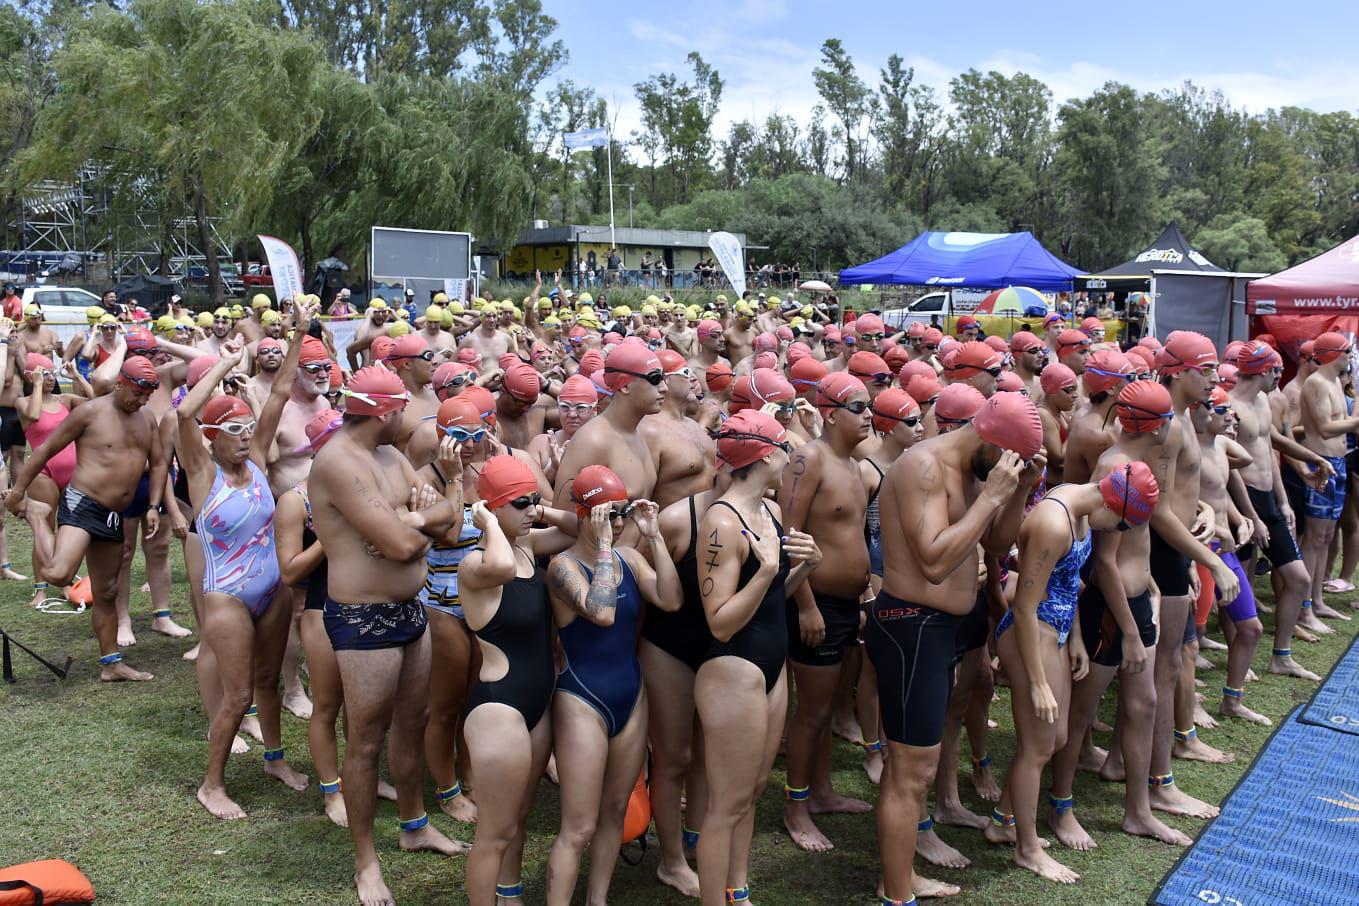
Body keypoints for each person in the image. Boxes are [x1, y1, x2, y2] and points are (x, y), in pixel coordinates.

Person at [869, 392, 1043, 905]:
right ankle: (897, 896)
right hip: (912, 627)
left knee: (915, 767)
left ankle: (897, 877)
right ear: (990, 440)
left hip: (944, 627)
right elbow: (934, 561)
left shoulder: (976, 467)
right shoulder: (924, 466)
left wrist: (1018, 491)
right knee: (911, 771)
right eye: (1013, 459)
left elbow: (993, 545)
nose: (1012, 468)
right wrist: (992, 496)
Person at [309, 365, 466, 906]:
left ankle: (414, 823)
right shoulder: (337, 463)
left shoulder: (390, 455)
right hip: (363, 616)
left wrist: (412, 521)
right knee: (367, 741)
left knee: (411, 725)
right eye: (401, 407)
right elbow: (401, 546)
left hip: (410, 611)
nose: (408, 415)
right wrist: (415, 522)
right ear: (383, 410)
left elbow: (449, 525)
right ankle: (365, 862)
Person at [987, 464, 1159, 883]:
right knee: (1038, 746)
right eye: (1119, 527)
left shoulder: (1083, 502)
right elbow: (1024, 608)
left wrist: (1077, 637)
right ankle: (1027, 850)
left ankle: (1002, 821)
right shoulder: (1053, 523)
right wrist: (1038, 682)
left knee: (1057, 738)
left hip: (1058, 630)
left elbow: (1066, 584)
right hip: (1033, 633)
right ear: (1112, 507)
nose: (1113, 535)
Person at [175, 338, 312, 820]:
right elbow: (185, 415)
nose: (244, 436)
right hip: (227, 597)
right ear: (212, 436)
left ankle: (275, 760)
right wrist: (228, 364)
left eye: (247, 429)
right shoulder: (200, 471)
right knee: (238, 696)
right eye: (233, 430)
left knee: (270, 682)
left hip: (272, 590)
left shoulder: (254, 462)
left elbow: (278, 394)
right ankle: (211, 786)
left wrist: (296, 336)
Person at [1049, 380, 1189, 849]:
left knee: (1144, 703)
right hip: (1111, 611)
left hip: (1133, 602)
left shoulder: (1137, 461)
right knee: (1082, 711)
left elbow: (1135, 546)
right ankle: (1061, 807)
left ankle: (1138, 812)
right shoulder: (1116, 466)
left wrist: (1148, 583)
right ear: (1159, 425)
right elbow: (1103, 561)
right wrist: (1129, 631)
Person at [695, 411, 820, 906]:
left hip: (770, 665)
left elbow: (770, 602)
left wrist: (801, 568)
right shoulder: (722, 523)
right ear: (766, 456)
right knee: (725, 804)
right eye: (785, 448)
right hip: (733, 668)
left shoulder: (767, 511)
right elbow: (721, 621)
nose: (792, 456)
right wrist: (767, 570)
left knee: (752, 790)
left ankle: (737, 892)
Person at [545, 467, 679, 905]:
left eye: (622, 512)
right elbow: (599, 612)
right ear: (583, 514)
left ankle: (597, 900)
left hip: (631, 696)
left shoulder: (630, 557)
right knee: (578, 827)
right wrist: (603, 544)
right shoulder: (564, 567)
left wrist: (654, 536)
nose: (618, 522)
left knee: (615, 814)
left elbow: (672, 599)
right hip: (582, 699)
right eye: (608, 513)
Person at [458, 455, 576, 906]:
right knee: (495, 831)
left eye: (534, 501)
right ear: (492, 509)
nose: (531, 510)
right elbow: (502, 568)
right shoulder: (476, 566)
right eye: (521, 503)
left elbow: (575, 531)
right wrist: (487, 520)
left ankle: (509, 893)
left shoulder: (526, 546)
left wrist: (537, 508)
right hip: (498, 710)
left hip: (535, 705)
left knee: (521, 813)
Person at [8, 356, 168, 682]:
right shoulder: (90, 412)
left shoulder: (147, 418)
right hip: (83, 503)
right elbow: (44, 450)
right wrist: (18, 492)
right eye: (137, 394)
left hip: (114, 515)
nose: (141, 401)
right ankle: (37, 516)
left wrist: (153, 505)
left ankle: (111, 665)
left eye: (147, 396)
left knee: (106, 592)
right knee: (58, 573)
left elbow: (160, 463)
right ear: (120, 384)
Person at [780, 372, 873, 852]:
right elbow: (790, 537)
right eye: (859, 407)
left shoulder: (852, 463)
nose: (869, 415)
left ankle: (821, 793)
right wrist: (807, 606)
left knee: (829, 705)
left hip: (845, 605)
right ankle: (796, 807)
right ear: (832, 413)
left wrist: (861, 598)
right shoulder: (808, 459)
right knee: (812, 711)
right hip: (814, 603)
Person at [1228, 341, 1321, 680]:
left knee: (1298, 579)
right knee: (1241, 581)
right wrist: (1250, 514)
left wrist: (1282, 499)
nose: (1281, 377)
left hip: (1268, 499)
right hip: (1242, 501)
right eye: (1278, 371)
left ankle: (1281, 655)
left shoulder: (1264, 400)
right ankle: (1239, 657)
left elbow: (1267, 448)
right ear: (1266, 370)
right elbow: (1229, 465)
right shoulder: (1231, 406)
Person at [1192, 387, 1269, 726]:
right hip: (1202, 550)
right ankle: (1187, 709)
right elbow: (1180, 504)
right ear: (1204, 411)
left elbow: (1245, 459)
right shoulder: (1188, 452)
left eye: (1232, 412)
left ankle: (1232, 701)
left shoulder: (1221, 446)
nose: (1231, 417)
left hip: (1227, 551)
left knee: (1251, 629)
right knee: (1187, 641)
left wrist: (1238, 519)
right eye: (1224, 411)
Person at [641, 349, 717, 510]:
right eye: (686, 372)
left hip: (705, 530)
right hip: (670, 533)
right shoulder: (649, 431)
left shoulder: (692, 424)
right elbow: (641, 502)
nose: (693, 378)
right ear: (665, 380)